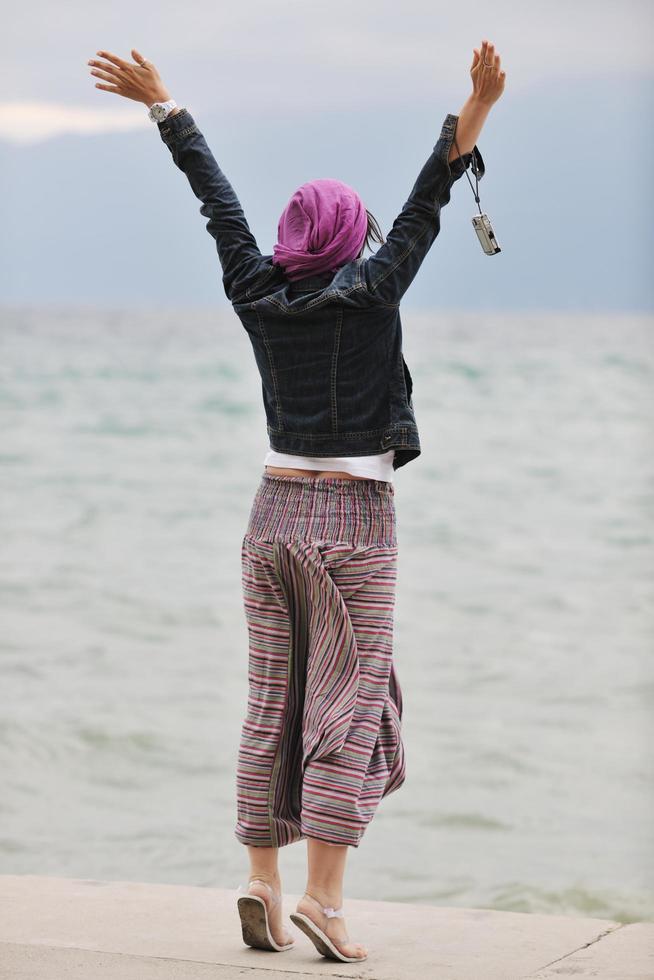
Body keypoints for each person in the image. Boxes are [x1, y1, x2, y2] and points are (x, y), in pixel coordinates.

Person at [87, 38, 505, 963]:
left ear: (289, 241)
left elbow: (217, 202)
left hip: (269, 517)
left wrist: (166, 107)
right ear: (354, 240)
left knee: (270, 698)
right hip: (354, 521)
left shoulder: (255, 289)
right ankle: (324, 899)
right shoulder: (375, 287)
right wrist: (478, 109)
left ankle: (261, 884)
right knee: (350, 704)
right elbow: (429, 198)